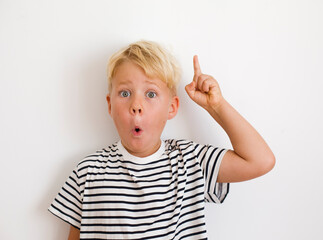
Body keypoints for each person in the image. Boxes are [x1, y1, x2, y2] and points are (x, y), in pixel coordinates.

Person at [48, 40, 275, 240]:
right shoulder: (88, 172)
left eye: (151, 94)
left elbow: (260, 160)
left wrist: (216, 106)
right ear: (110, 105)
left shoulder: (191, 161)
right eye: (125, 93)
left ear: (172, 107)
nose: (136, 105)